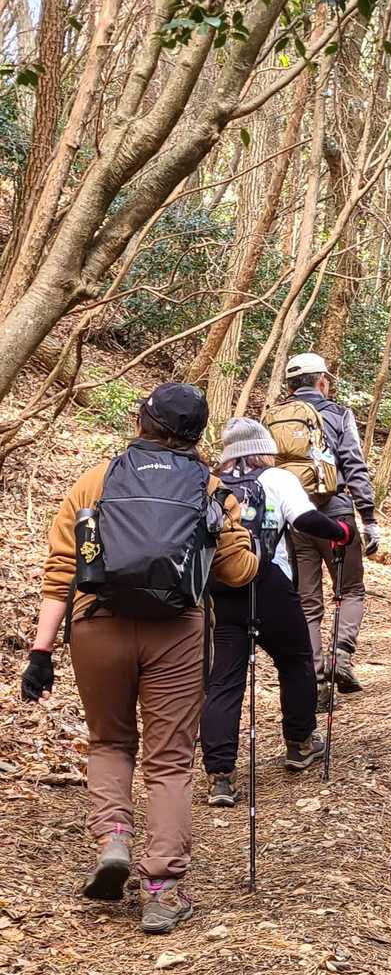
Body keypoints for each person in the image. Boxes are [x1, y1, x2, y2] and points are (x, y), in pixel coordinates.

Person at [20, 382, 257, 935]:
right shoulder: (212, 488)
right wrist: (246, 542)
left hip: (97, 625)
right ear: (196, 434)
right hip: (176, 631)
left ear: (142, 422)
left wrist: (41, 650)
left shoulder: (97, 480)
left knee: (109, 741)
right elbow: (236, 572)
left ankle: (114, 839)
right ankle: (162, 890)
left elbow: (61, 571)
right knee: (170, 760)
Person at [200, 418, 353, 807]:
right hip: (270, 583)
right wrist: (341, 532)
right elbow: (304, 519)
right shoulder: (279, 479)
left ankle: (220, 775)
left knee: (225, 679)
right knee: (295, 658)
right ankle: (300, 743)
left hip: (223, 587)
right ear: (264, 449)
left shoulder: (211, 483)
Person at [268, 351, 380, 707]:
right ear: (322, 382)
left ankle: (314, 684)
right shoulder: (338, 414)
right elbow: (354, 464)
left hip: (295, 519)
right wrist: (369, 518)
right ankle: (341, 656)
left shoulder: (273, 417)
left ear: (289, 386)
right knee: (351, 590)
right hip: (336, 516)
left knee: (307, 603)